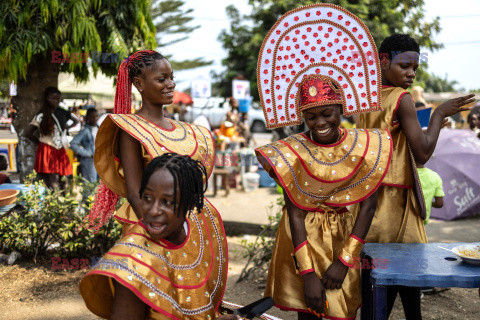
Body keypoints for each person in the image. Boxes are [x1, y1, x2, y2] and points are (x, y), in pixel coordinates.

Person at [254, 4, 393, 319]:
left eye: (327, 113)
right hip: (303, 241)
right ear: (302, 116)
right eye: (311, 116)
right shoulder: (292, 152)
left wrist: (344, 261)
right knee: (311, 307)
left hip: (346, 238)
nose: (319, 123)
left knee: (343, 309)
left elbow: (368, 207)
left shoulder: (366, 146)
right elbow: (294, 213)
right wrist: (306, 273)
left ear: (341, 109)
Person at [352, 33, 475, 319]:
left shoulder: (365, 99)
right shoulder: (401, 98)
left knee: (373, 281)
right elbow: (421, 154)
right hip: (398, 204)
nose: (411, 73)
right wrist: (438, 115)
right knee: (408, 279)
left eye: (415, 68)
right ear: (383, 61)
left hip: (370, 202)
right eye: (404, 65)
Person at [80, 153, 230, 319]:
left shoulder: (202, 223)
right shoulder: (132, 266)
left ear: (190, 203)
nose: (153, 210)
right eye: (147, 198)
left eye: (167, 202)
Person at [85, 50, 215, 235]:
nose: (171, 84)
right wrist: (163, 234)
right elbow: (135, 194)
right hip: (149, 228)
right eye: (162, 79)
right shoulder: (131, 129)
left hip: (186, 229)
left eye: (171, 77)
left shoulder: (185, 130)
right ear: (139, 84)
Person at [25, 87, 79, 189]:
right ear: (46, 99)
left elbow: (76, 120)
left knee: (64, 179)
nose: (56, 101)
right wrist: (39, 143)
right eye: (53, 99)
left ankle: (65, 202)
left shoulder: (63, 112)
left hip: (60, 148)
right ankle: (57, 202)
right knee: (53, 179)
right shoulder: (42, 114)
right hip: (47, 148)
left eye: (58, 99)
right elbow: (28, 133)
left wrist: (66, 128)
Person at [69, 108, 99, 182]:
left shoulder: (98, 128)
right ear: (87, 118)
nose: (94, 119)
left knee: (96, 184)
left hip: (98, 160)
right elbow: (73, 144)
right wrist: (87, 153)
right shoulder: (85, 130)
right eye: (92, 117)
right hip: (89, 161)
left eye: (96, 116)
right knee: (90, 184)